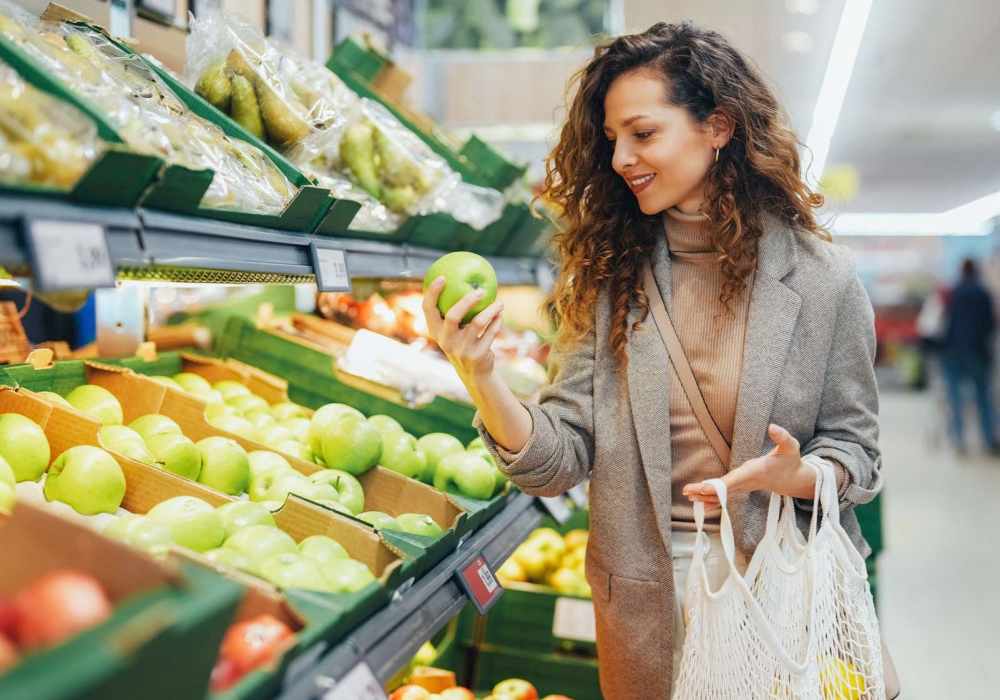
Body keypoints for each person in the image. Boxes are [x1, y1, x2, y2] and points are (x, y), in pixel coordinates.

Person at [423, 22, 882, 699]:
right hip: (646, 595)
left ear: (718, 126)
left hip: (777, 587)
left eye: (642, 134)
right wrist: (482, 375)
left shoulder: (823, 282)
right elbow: (557, 461)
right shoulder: (608, 279)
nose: (620, 159)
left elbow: (859, 454)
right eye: (611, 139)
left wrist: (802, 473)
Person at [940, 258, 998, 454]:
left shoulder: (954, 293)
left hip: (954, 352)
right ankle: (989, 440)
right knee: (983, 398)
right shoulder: (983, 293)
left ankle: (959, 441)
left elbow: (946, 321)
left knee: (956, 398)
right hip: (978, 353)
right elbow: (990, 324)